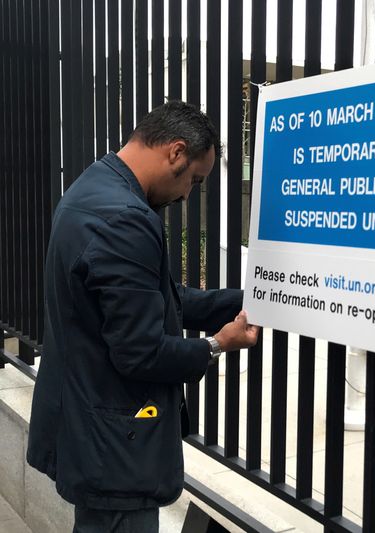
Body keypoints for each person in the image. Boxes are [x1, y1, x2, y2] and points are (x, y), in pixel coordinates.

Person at [26, 101, 260, 533]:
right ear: (175, 152)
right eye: (194, 179)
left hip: (86, 426)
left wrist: (249, 299)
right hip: (113, 450)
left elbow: (154, 300)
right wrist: (218, 344)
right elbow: (140, 352)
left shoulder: (94, 187)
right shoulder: (126, 219)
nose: (189, 193)